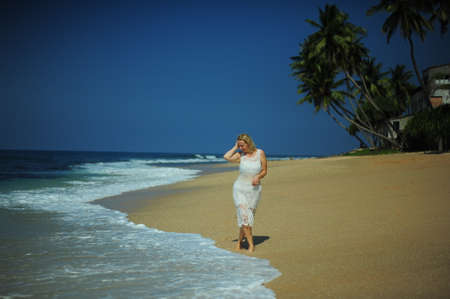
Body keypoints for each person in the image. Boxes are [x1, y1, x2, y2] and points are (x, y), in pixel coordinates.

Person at [223, 133, 267, 252]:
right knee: (244, 216)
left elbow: (264, 170)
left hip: (254, 190)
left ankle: (239, 243)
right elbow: (226, 157)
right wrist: (235, 147)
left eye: (242, 145)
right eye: (239, 146)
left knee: (247, 218)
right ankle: (251, 245)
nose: (241, 148)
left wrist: (258, 177)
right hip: (239, 189)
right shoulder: (240, 155)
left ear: (248, 143)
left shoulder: (260, 153)